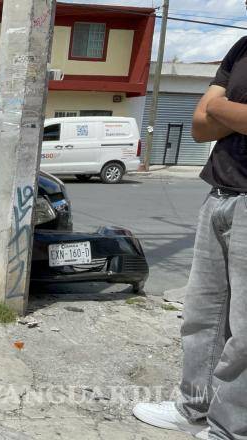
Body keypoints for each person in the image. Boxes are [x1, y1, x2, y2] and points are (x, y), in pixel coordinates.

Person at [132, 34, 247, 440]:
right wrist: (227, 112)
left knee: (244, 331)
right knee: (202, 316)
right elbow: (200, 125)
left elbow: (211, 109)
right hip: (220, 194)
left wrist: (219, 107)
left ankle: (230, 430)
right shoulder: (242, 48)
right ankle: (194, 408)